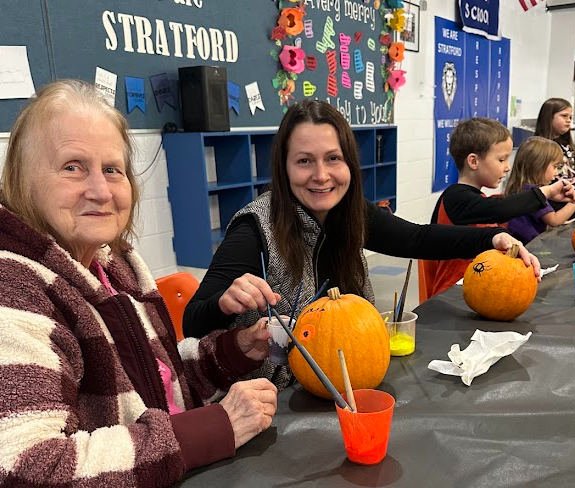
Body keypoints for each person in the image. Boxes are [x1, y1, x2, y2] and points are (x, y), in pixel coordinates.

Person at [0, 80, 277, 486]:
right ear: (24, 181)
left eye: (112, 169)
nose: (100, 191)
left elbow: (157, 383)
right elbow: (27, 467)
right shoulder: (14, 288)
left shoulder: (117, 263)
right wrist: (212, 430)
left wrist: (232, 353)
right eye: (72, 167)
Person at [183, 100, 542, 389]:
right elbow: (192, 322)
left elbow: (417, 238)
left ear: (350, 164)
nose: (321, 175)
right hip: (277, 400)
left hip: (352, 380)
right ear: (284, 168)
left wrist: (490, 237)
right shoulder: (254, 228)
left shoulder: (349, 212)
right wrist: (224, 302)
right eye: (304, 161)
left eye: (333, 159)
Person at [427, 118, 575, 297]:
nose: (507, 168)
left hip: (480, 287)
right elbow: (500, 209)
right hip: (453, 292)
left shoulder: (477, 199)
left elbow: (500, 206)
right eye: (501, 159)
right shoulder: (455, 197)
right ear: (473, 161)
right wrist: (547, 192)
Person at [505, 137, 575, 244]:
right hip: (529, 246)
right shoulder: (532, 192)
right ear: (537, 165)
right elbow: (554, 221)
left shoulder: (520, 187)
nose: (556, 173)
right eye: (555, 167)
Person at [535, 97, 575, 218]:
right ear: (549, 117)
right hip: (554, 205)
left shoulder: (566, 144)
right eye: (564, 116)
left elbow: (573, 171)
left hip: (571, 200)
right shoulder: (540, 147)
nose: (568, 121)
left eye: (570, 117)